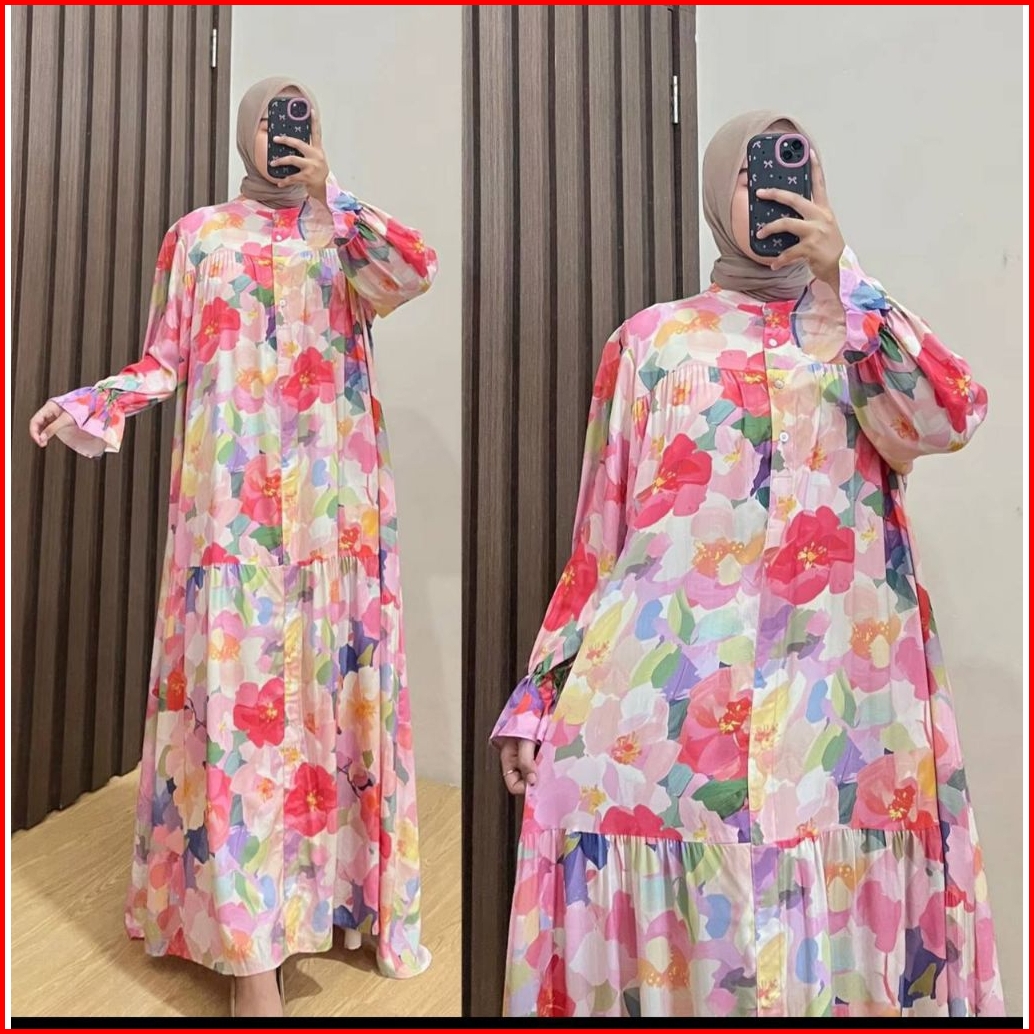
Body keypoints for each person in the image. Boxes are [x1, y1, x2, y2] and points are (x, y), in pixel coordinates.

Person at [491, 110, 1004, 1018]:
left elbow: (951, 416)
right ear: (715, 191)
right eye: (750, 171)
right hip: (669, 715)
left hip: (844, 718)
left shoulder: (860, 335)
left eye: (795, 165)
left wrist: (845, 278)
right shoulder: (650, 344)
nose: (771, 186)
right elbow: (598, 540)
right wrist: (540, 694)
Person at [29, 77, 436, 1017]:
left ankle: (327, 906)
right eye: (272, 118)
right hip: (233, 519)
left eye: (302, 119)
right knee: (241, 720)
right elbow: (164, 358)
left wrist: (334, 193)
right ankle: (252, 948)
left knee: (326, 716)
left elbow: (413, 273)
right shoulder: (200, 236)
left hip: (337, 520)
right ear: (243, 131)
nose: (285, 134)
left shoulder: (344, 236)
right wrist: (94, 401)